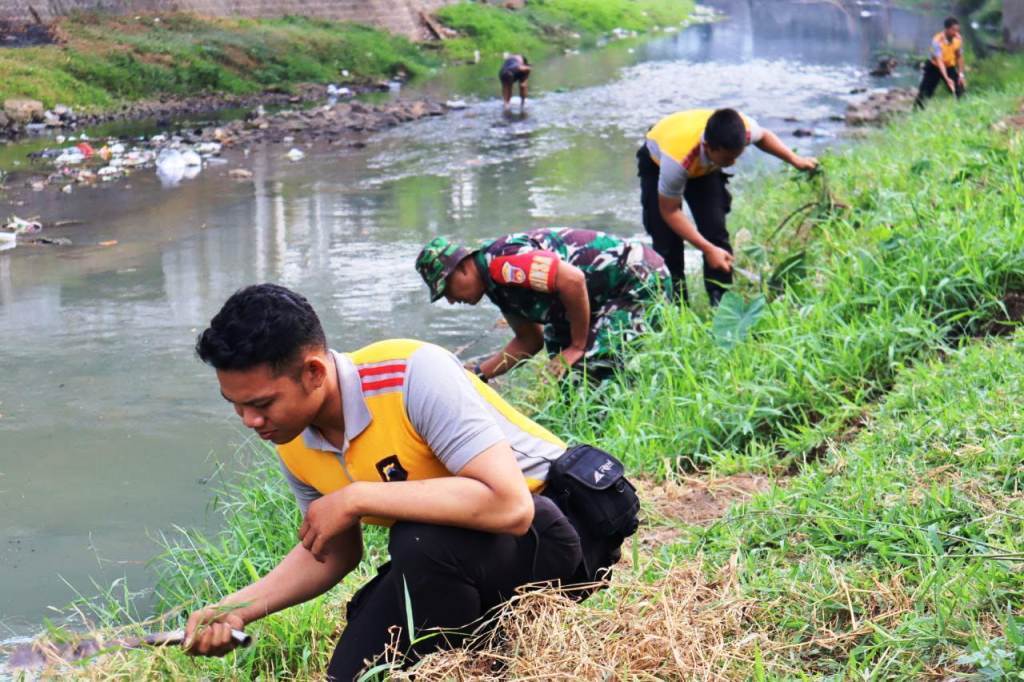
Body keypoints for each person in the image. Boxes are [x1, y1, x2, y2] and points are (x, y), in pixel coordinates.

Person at [182, 284, 635, 680]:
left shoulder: (412, 374)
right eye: (235, 404)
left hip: (563, 530)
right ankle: (466, 643)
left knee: (417, 540)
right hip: (461, 550)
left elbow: (510, 506)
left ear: (314, 373)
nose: (249, 420)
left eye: (261, 404)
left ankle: (469, 664)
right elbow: (333, 552)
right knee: (352, 673)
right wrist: (234, 609)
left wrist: (356, 497)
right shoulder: (292, 436)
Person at [415, 228, 670, 381]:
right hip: (599, 295)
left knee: (593, 364)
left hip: (636, 279)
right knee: (563, 368)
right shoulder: (495, 286)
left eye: (447, 289)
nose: (451, 300)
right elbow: (529, 341)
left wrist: (578, 346)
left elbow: (573, 280)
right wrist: (479, 374)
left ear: (462, 268)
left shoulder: (502, 264)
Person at [637, 108, 818, 305]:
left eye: (736, 156)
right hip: (658, 163)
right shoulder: (676, 161)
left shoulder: (741, 131)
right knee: (667, 243)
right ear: (708, 147)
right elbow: (670, 211)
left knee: (715, 233)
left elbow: (764, 136)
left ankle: (721, 302)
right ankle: (675, 307)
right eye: (727, 158)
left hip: (705, 169)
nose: (732, 163)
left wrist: (796, 160)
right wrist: (707, 249)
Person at [914, 16, 966, 109]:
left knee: (960, 89)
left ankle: (964, 109)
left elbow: (959, 56)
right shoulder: (937, 40)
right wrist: (947, 79)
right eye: (953, 30)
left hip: (949, 67)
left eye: (957, 30)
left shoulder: (958, 38)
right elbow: (939, 61)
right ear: (946, 29)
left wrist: (961, 74)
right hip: (934, 67)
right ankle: (917, 111)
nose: (956, 33)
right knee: (925, 93)